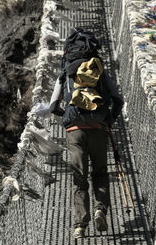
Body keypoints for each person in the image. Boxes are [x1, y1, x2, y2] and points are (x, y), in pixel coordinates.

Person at [51, 28, 124, 238]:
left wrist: (66, 119)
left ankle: (80, 225)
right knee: (100, 172)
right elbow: (118, 99)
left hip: (75, 131)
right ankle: (101, 208)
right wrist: (108, 119)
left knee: (79, 178)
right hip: (100, 129)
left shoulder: (66, 71)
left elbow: (53, 105)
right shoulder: (99, 70)